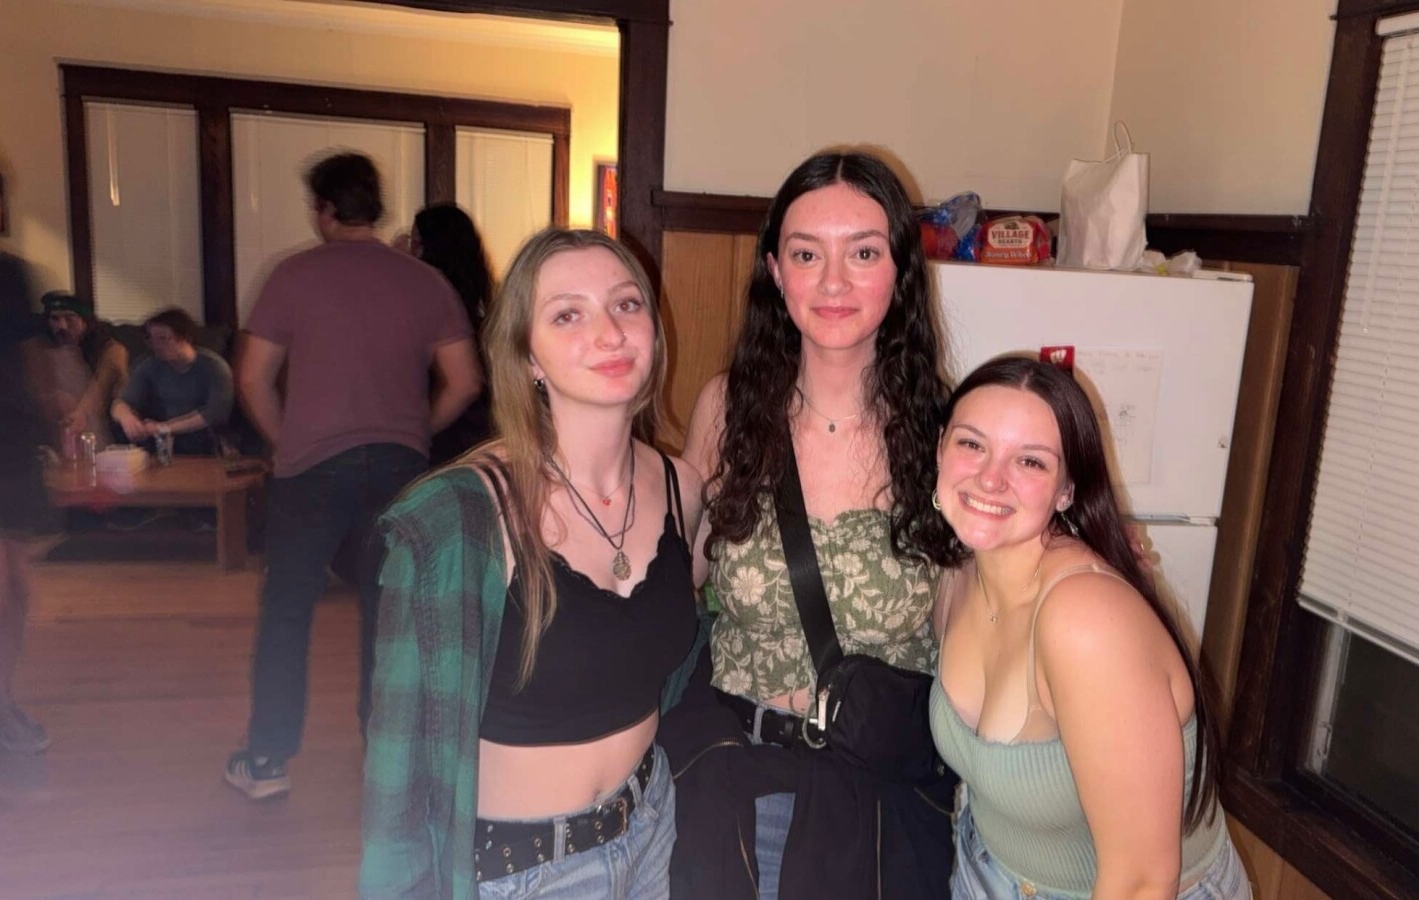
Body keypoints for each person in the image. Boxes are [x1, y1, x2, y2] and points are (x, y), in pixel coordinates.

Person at [359, 227, 703, 899]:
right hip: (524, 871)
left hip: (651, 827)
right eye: (568, 315)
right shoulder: (458, 519)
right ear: (527, 357)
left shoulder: (681, 488)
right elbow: (397, 760)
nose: (609, 333)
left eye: (627, 304)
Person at [674, 149, 955, 899]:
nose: (833, 282)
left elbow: (981, 621)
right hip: (739, 782)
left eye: (862, 253)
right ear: (775, 270)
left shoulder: (947, 433)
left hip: (884, 798)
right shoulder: (727, 408)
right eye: (806, 254)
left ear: (899, 271)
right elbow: (677, 577)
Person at [926, 354, 1248, 900]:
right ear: (940, 449)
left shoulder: (1085, 623)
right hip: (986, 866)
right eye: (972, 444)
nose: (990, 478)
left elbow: (1142, 882)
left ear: (1066, 490)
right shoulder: (961, 571)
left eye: (1031, 461)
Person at [226, 152, 483, 800]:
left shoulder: (292, 275)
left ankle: (267, 761)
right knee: (387, 616)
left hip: (311, 467)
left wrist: (286, 441)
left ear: (324, 209)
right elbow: (464, 382)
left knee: (287, 611)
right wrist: (416, 432)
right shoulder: (426, 282)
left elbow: (251, 378)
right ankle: (383, 756)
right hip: (399, 469)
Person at [0, 138, 52, 754]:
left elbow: (32, 358)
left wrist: (52, 418)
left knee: (16, 590)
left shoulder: (13, 274)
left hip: (12, 446)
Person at [407, 202, 497, 466]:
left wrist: (418, 434)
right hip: (480, 438)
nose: (410, 252)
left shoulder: (433, 305)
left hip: (444, 441)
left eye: (415, 243)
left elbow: (464, 386)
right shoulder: (483, 313)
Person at [112, 307, 234, 456]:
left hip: (206, 445)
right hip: (160, 446)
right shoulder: (148, 366)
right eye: (151, 339)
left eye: (163, 338)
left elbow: (215, 413)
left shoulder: (214, 367)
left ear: (185, 337)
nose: (156, 345)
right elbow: (120, 404)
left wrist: (165, 427)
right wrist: (127, 418)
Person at [39, 290, 128, 444]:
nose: (62, 326)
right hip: (54, 429)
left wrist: (81, 411)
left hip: (102, 426)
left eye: (69, 318)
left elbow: (101, 387)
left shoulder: (112, 350)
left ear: (85, 321)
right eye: (55, 319)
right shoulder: (41, 350)